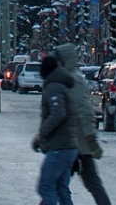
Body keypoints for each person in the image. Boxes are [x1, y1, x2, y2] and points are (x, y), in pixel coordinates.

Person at [51, 45, 111, 205]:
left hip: (75, 145)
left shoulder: (73, 80)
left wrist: (91, 139)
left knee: (56, 186)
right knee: (91, 184)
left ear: (64, 61)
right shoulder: (67, 78)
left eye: (57, 61)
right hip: (76, 145)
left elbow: (85, 111)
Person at [33, 54, 78, 205]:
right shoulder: (62, 85)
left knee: (45, 187)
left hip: (59, 146)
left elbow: (58, 113)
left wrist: (41, 134)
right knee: (61, 188)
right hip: (69, 146)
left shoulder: (53, 87)